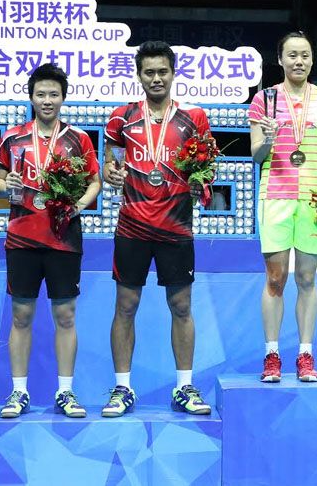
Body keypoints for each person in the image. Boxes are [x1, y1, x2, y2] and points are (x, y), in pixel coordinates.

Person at [101, 41, 213, 416]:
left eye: (162, 71)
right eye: (149, 72)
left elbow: (206, 169)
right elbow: (111, 163)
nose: (156, 78)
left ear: (173, 73)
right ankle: (121, 387)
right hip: (132, 226)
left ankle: (184, 387)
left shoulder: (193, 118)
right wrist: (112, 172)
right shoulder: (122, 118)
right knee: (126, 305)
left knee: (181, 306)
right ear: (139, 75)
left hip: (176, 227)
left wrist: (202, 183)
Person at [0, 63, 101, 418]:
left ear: (63, 98)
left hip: (63, 237)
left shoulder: (77, 140)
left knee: (65, 315)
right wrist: (5, 186)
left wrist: (79, 206)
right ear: (31, 98)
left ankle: (65, 392)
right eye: (41, 94)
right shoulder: (13, 137)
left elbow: (94, 182)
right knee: (21, 314)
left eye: (54, 94)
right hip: (22, 237)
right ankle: (18, 393)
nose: (48, 100)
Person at [248, 31, 317, 382]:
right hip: (275, 194)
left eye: (304, 55)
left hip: (313, 198)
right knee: (275, 278)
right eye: (292, 55)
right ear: (281, 59)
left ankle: (305, 354)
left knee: (306, 277)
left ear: (312, 59)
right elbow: (256, 154)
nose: (298, 61)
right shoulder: (265, 99)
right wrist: (267, 141)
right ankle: (272, 354)